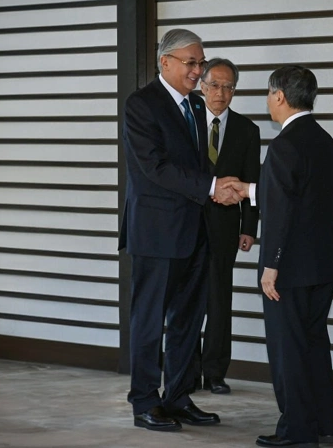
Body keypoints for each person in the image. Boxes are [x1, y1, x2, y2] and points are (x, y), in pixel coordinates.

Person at [118, 29, 241, 432]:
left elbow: (198, 166)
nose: (197, 70)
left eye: (200, 62)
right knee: (150, 321)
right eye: (190, 62)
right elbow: (155, 167)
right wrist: (210, 187)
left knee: (189, 320)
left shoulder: (194, 106)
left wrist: (219, 188)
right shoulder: (142, 105)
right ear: (165, 62)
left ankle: (178, 397)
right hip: (156, 233)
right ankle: (145, 402)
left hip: (195, 231)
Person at [223, 66, 333, 447]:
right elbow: (295, 194)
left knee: (287, 349)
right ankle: (322, 423)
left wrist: (270, 266)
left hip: (290, 266)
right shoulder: (322, 139)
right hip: (323, 261)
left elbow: (281, 214)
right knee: (312, 345)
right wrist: (250, 190)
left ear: (279, 96)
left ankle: (296, 431)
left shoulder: (284, 144)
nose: (267, 101)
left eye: (268, 93)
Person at [192, 58, 261, 395]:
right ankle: (186, 371)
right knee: (186, 301)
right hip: (186, 226)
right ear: (202, 86)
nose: (221, 93)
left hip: (224, 228)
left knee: (220, 301)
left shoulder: (248, 130)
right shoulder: (186, 122)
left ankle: (215, 372)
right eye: (215, 85)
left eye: (228, 86)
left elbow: (253, 181)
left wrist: (249, 228)